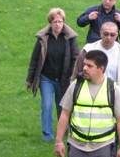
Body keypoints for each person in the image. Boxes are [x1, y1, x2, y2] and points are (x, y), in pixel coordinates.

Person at [72, 22, 120, 153]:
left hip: (115, 98)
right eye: (105, 34)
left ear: (117, 35)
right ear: (100, 34)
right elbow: (76, 75)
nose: (108, 38)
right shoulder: (88, 50)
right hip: (91, 97)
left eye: (112, 35)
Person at [26, 8, 80, 141]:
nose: (57, 24)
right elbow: (34, 60)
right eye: (55, 22)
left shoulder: (70, 38)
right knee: (47, 105)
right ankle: (47, 135)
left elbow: (76, 58)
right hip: (47, 78)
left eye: (60, 21)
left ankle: (64, 130)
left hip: (64, 78)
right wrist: (29, 80)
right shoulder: (43, 38)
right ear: (50, 23)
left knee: (63, 107)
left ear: (63, 22)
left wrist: (73, 77)